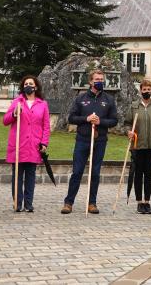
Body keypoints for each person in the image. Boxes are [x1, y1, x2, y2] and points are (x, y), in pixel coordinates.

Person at [63, 69, 118, 214]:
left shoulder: (108, 99)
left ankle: (92, 203)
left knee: (95, 172)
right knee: (77, 171)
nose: (100, 82)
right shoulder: (81, 98)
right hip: (82, 140)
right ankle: (68, 202)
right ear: (90, 81)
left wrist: (101, 122)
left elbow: (114, 120)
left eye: (101, 79)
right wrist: (86, 119)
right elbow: (72, 118)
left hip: (100, 140)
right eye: (97, 79)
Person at [3, 75, 50, 212]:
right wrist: (14, 114)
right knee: (17, 175)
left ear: (36, 87)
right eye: (26, 84)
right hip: (18, 144)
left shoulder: (42, 104)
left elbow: (46, 126)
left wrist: (44, 142)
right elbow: (5, 120)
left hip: (34, 145)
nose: (28, 86)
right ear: (23, 87)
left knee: (30, 176)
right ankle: (17, 203)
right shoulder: (17, 102)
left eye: (31, 83)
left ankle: (29, 204)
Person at [124, 79, 151, 214]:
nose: (147, 92)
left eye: (149, 89)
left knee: (148, 174)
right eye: (144, 89)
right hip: (137, 145)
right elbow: (127, 123)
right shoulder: (134, 106)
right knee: (138, 174)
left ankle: (147, 202)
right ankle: (139, 202)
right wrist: (128, 131)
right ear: (140, 91)